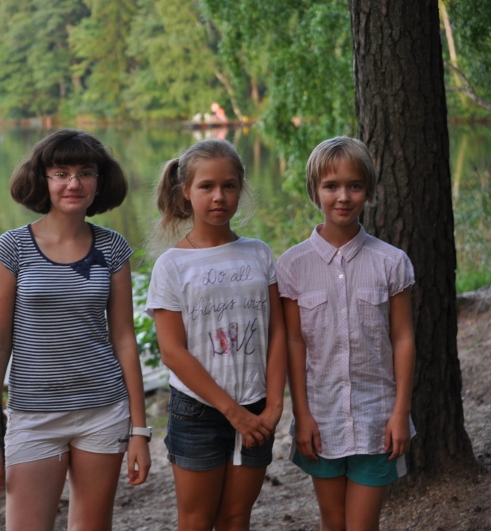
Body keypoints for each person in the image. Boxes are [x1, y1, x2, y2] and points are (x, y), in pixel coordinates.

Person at [0, 129, 151, 530]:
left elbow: (124, 341)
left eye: (85, 173)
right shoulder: (12, 248)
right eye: (61, 173)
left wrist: (139, 429)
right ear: (43, 179)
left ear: (99, 181)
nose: (74, 183)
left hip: (103, 411)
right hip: (33, 415)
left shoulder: (113, 248)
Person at [146, 138, 287, 530]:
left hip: (256, 407)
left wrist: (274, 404)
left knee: (236, 517)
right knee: (197, 519)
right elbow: (173, 352)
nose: (219, 196)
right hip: (198, 412)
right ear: (185, 191)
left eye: (229, 186)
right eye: (206, 186)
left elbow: (277, 332)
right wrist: (233, 412)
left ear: (241, 188)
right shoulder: (172, 265)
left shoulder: (259, 253)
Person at [277, 136, 416, 531]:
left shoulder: (391, 262)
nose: (343, 196)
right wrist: (301, 414)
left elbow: (403, 338)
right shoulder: (292, 266)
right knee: (332, 522)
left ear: (368, 190)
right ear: (314, 190)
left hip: (377, 418)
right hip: (321, 419)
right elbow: (294, 343)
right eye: (331, 186)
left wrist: (400, 413)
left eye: (354, 186)